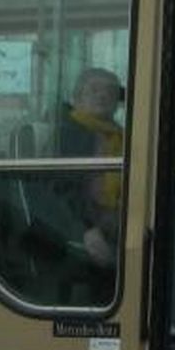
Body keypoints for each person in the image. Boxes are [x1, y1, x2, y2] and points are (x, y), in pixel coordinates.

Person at [57, 67, 125, 281]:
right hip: (75, 234)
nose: (102, 96)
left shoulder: (123, 136)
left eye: (110, 92)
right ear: (77, 97)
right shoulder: (65, 132)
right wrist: (84, 231)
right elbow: (58, 189)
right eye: (94, 90)